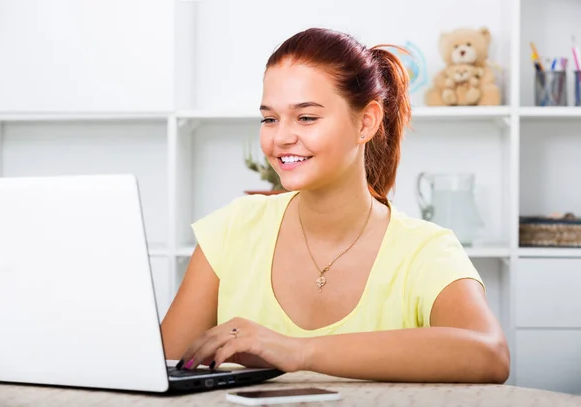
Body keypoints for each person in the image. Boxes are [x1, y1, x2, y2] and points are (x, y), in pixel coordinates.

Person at [160, 27, 510, 384]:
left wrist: (297, 352)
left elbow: (489, 354)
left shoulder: (425, 250)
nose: (281, 138)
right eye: (269, 118)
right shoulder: (231, 230)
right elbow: (161, 370)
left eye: (307, 117)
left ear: (366, 122)